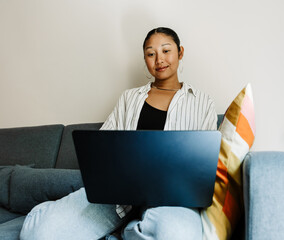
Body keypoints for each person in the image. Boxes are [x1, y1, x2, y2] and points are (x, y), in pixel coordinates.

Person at [20, 27, 217, 240]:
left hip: (172, 199)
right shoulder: (129, 98)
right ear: (145, 60)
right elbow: (105, 145)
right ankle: (128, 224)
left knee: (179, 235)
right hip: (118, 196)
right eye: (151, 54)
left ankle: (129, 231)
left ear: (180, 53)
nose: (159, 59)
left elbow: (204, 165)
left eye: (166, 51)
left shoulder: (202, 102)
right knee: (38, 234)